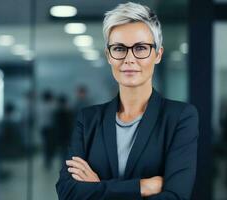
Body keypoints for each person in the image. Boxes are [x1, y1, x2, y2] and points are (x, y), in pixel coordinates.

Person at [56, 2, 199, 199]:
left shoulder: (180, 118)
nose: (129, 59)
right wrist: (142, 187)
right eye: (119, 48)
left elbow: (175, 196)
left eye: (140, 48)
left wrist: (98, 188)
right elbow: (67, 192)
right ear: (109, 55)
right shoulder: (88, 120)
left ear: (158, 54)